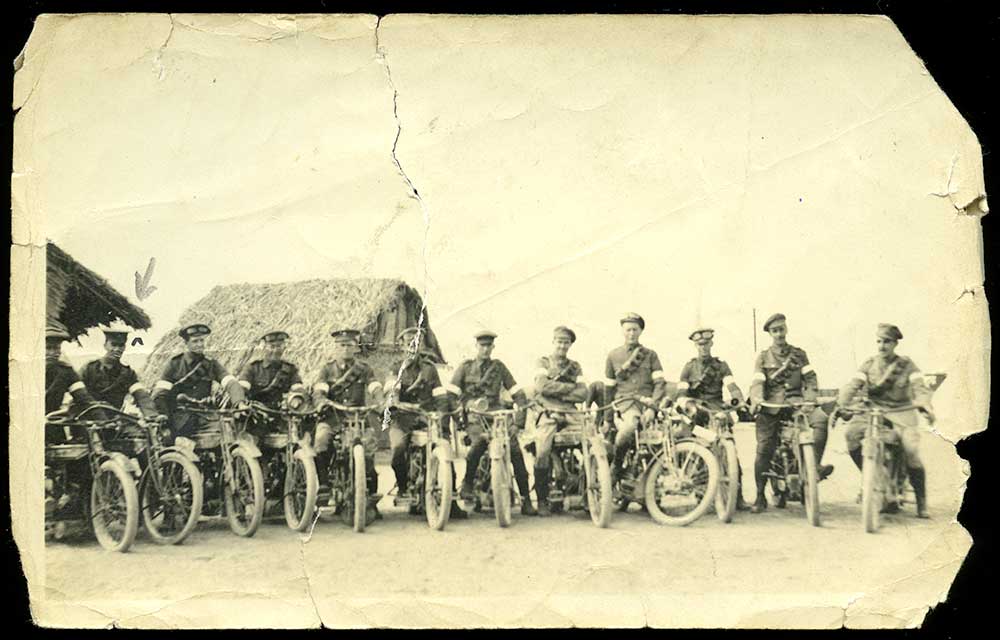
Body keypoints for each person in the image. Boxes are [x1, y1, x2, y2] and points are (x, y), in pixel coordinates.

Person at [837, 323, 933, 518]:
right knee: (851, 435)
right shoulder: (869, 364)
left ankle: (921, 503)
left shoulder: (907, 365)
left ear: (895, 343)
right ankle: (872, 477)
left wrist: (924, 403)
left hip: (901, 411)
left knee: (911, 450)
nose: (882, 346)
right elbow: (853, 385)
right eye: (879, 341)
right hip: (873, 410)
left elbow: (920, 387)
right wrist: (842, 403)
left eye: (887, 342)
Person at [748, 313, 832, 514]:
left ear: (786, 329)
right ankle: (760, 495)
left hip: (797, 405)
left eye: (781, 329)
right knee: (764, 448)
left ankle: (814, 468)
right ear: (770, 333)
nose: (779, 334)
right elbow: (757, 381)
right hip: (771, 407)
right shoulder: (763, 357)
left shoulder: (799, 355)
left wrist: (810, 400)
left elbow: (811, 379)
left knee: (820, 419)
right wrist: (758, 399)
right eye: (775, 331)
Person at [449, 330, 537, 516]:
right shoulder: (465, 368)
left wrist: (518, 423)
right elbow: (451, 396)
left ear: (493, 347)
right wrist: (461, 413)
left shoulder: (499, 368)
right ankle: (468, 484)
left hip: (497, 416)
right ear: (476, 347)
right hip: (474, 417)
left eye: (489, 346)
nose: (486, 349)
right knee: (478, 444)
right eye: (482, 345)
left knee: (515, 451)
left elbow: (517, 393)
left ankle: (526, 500)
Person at [384, 327, 468, 520]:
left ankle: (451, 501)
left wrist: (441, 412)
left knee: (444, 446)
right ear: (402, 346)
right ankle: (403, 486)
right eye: (408, 343)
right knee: (398, 447)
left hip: (425, 417)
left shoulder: (429, 369)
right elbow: (391, 391)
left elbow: (439, 394)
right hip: (402, 418)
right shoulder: (396, 368)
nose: (413, 346)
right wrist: (395, 402)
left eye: (416, 342)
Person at [673, 327, 750, 511]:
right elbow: (681, 393)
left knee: (729, 449)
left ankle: (737, 497)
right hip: (697, 411)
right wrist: (688, 405)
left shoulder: (721, 366)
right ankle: (701, 495)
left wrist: (739, 400)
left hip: (716, 408)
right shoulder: (689, 367)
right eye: (700, 344)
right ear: (695, 345)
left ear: (712, 343)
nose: (703, 347)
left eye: (706, 344)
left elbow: (731, 386)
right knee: (696, 448)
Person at [311, 328, 383, 511]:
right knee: (321, 440)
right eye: (341, 346)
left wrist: (381, 400)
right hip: (334, 416)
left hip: (358, 415)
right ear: (335, 348)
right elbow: (319, 390)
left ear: (356, 348)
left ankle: (371, 499)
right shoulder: (327, 369)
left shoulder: (364, 369)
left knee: (369, 448)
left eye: (349, 346)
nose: (345, 349)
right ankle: (324, 485)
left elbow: (374, 386)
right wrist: (321, 402)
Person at [151, 323, 247, 440]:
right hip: (180, 418)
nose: (200, 344)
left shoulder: (211, 364)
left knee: (228, 432)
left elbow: (230, 382)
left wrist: (239, 402)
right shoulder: (175, 364)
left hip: (204, 415)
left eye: (201, 340)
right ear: (186, 344)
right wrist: (164, 416)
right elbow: (160, 393)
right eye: (195, 341)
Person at [603, 313, 667, 485]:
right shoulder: (613, 356)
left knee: (662, 439)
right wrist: (607, 419)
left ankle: (649, 487)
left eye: (635, 330)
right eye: (628, 330)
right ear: (623, 332)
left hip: (647, 403)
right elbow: (608, 390)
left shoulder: (651, 355)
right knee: (629, 427)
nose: (631, 333)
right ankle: (617, 465)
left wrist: (653, 408)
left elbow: (660, 383)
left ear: (640, 331)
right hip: (625, 404)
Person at [531, 326, 589, 516]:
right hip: (548, 411)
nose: (562, 346)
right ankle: (542, 499)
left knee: (592, 440)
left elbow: (583, 393)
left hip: (571, 413)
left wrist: (556, 390)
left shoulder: (576, 366)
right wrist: (568, 390)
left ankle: (588, 492)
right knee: (543, 449)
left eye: (566, 342)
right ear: (553, 341)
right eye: (559, 341)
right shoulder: (543, 362)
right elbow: (541, 386)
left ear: (570, 344)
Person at [237, 330, 304, 439]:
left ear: (284, 348)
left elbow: (298, 388)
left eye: (279, 346)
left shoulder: (290, 369)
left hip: (281, 416)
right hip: (256, 417)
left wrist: (297, 400)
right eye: (272, 347)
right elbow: (242, 388)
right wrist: (242, 403)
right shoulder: (253, 368)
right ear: (264, 348)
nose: (275, 350)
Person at [79, 326, 158, 418]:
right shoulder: (89, 368)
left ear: (124, 347)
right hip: (88, 417)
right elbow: (79, 395)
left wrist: (152, 415)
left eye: (121, 345)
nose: (117, 349)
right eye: (113, 344)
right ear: (105, 345)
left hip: (113, 419)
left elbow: (141, 395)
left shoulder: (128, 373)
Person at [45, 321, 101, 418]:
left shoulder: (66, 372)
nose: (53, 352)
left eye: (57, 348)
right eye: (48, 348)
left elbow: (83, 398)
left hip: (50, 421)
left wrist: (103, 421)